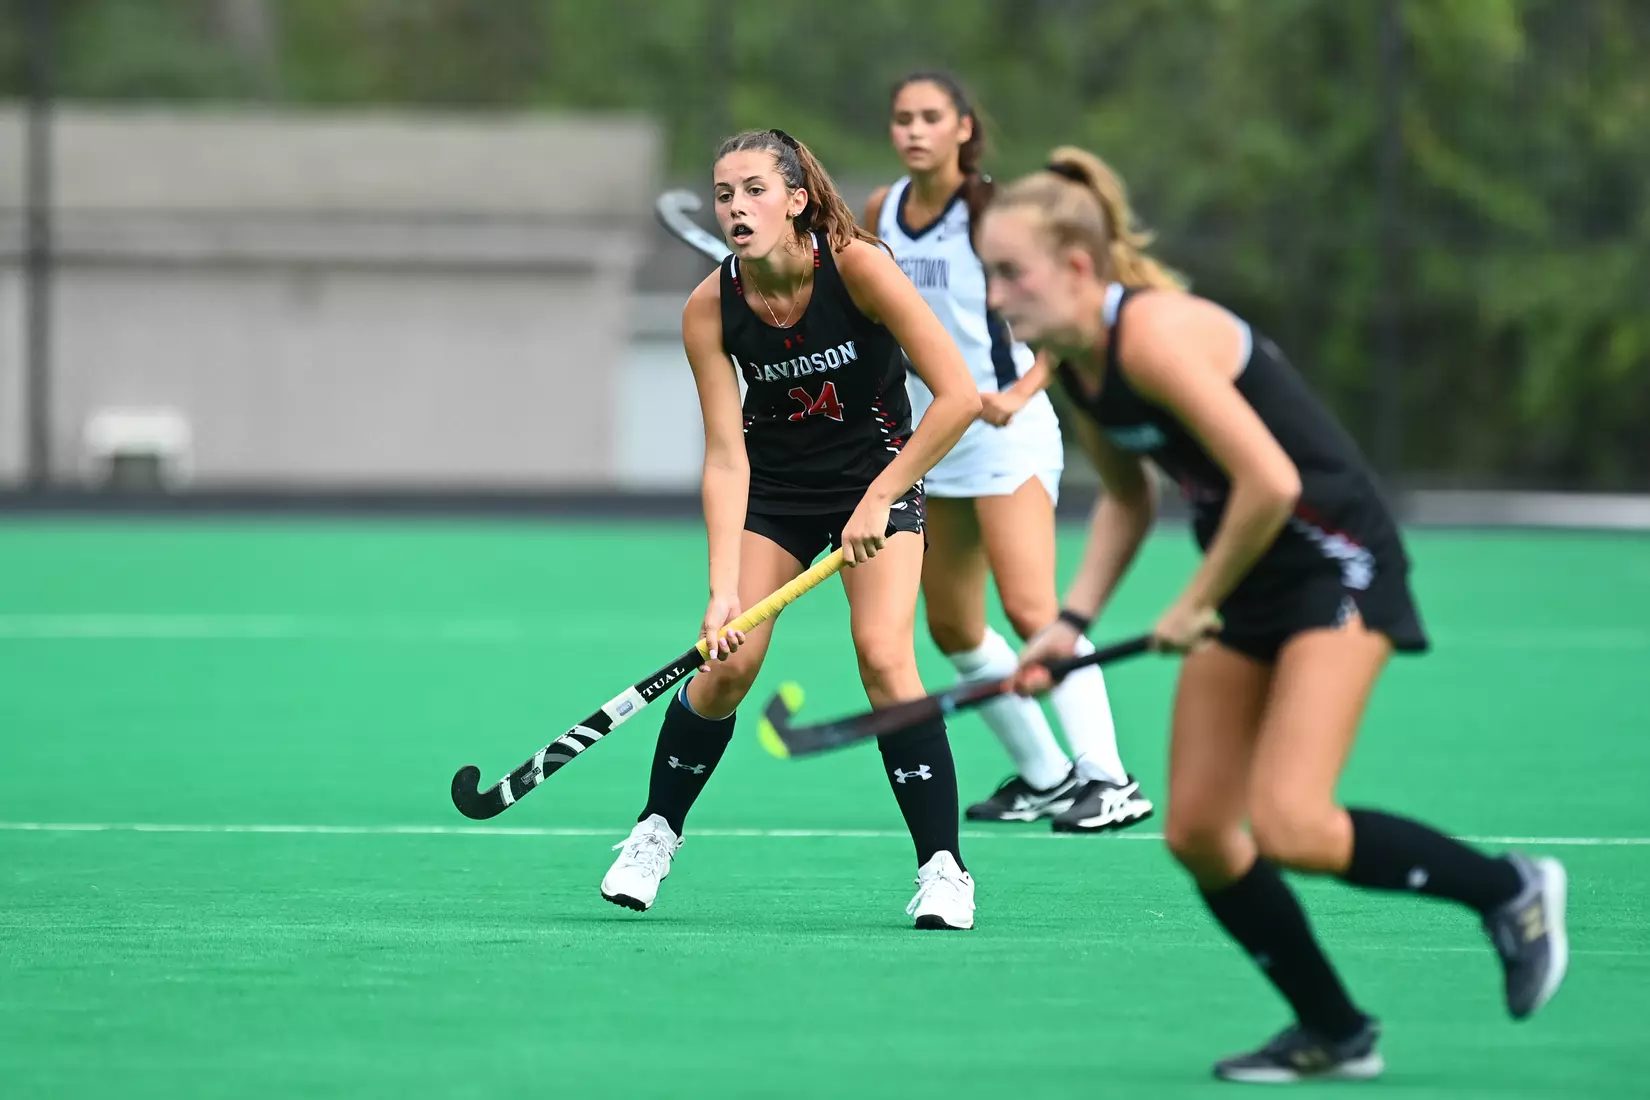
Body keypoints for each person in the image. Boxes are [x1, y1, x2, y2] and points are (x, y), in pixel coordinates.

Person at [983, 146, 1569, 1081]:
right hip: (1251, 570)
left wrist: (1192, 603)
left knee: (1294, 823)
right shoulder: (1077, 364)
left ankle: (1512, 890)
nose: (999, 293)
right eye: (991, 273)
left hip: (1334, 562)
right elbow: (1131, 500)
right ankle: (1335, 1032)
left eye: (1011, 272)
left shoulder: (1156, 338)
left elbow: (1272, 480)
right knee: (1202, 833)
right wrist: (1068, 621)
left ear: (1079, 267)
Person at [600, 128, 984, 930]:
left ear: (797, 199)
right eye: (724, 194)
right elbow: (724, 458)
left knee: (885, 656)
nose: (737, 208)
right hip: (775, 493)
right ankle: (654, 832)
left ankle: (944, 869)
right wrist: (720, 593)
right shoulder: (710, 308)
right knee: (731, 667)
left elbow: (957, 397)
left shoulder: (860, 268)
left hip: (877, 479)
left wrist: (881, 495)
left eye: (754, 191)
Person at [862, 70, 1152, 833]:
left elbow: (1063, 307)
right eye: (902, 119)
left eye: (930, 117)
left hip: (1006, 430)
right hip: (936, 436)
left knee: (1031, 607)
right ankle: (1047, 777)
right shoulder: (881, 211)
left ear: (963, 127)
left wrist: (1021, 394)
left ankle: (1109, 777)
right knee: (954, 627)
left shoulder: (992, 210)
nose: (914, 131)